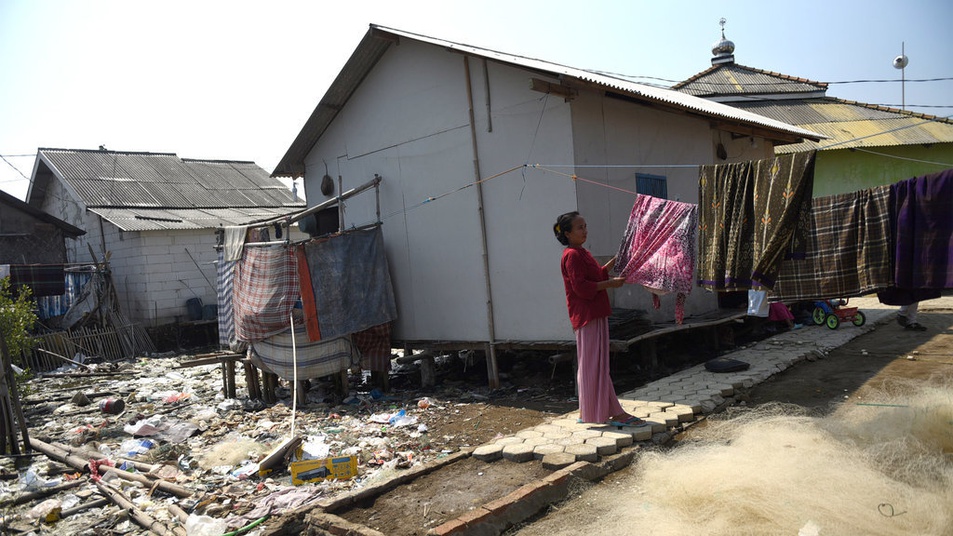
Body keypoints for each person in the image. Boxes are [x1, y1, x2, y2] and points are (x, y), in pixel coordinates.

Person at [554, 211, 645, 427]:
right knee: (593, 365)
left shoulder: (582, 253)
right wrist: (610, 285)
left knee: (596, 364)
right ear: (567, 233)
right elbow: (581, 288)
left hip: (595, 312)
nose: (585, 231)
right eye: (579, 228)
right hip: (587, 315)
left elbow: (597, 276)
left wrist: (617, 260)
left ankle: (594, 410)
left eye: (585, 226)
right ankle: (606, 412)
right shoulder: (572, 255)